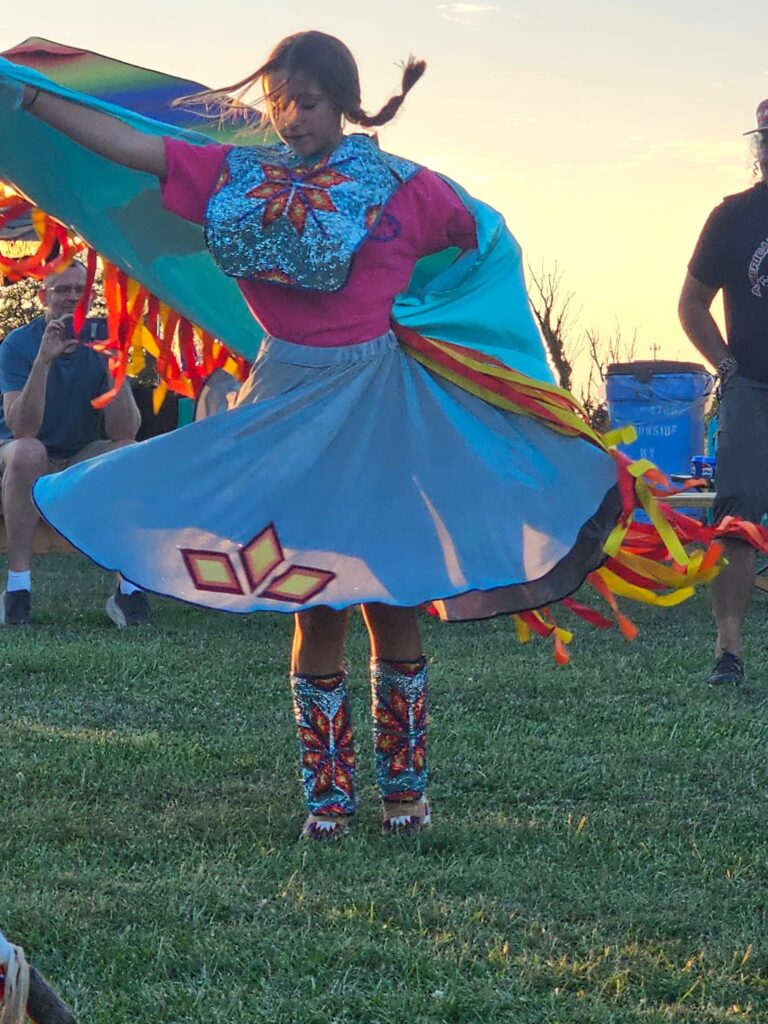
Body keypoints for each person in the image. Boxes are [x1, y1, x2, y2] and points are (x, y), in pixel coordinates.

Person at [1, 32, 682, 840]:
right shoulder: (237, 176)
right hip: (284, 405)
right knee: (312, 603)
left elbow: (484, 245)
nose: (290, 119)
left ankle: (404, 796)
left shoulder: (405, 189)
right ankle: (326, 802)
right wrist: (30, 95)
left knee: (392, 602)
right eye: (279, 103)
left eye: (308, 103)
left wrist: (439, 329)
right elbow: (135, 143)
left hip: (382, 410)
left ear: (346, 102)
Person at [0, 260, 150, 627]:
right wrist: (43, 362)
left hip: (79, 455)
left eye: (79, 291)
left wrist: (116, 370)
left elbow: (125, 429)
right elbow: (22, 428)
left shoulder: (99, 343)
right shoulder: (19, 344)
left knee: (129, 453)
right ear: (42, 296)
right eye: (61, 290)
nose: (71, 299)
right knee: (28, 451)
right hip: (23, 455)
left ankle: (128, 589)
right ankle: (17, 589)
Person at [678, 99, 768, 687]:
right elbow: (691, 304)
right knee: (737, 518)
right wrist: (727, 366)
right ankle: (728, 653)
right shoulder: (733, 217)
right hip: (752, 389)